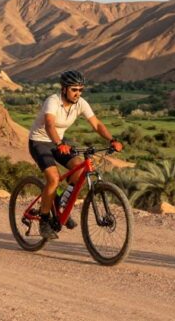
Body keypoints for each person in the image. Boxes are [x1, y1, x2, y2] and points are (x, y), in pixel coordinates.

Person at [27, 70, 122, 239]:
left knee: (80, 170)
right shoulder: (53, 101)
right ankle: (44, 221)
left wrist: (112, 139)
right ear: (64, 89)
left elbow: (96, 124)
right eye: (74, 89)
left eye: (80, 90)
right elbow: (49, 125)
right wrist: (59, 144)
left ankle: (61, 204)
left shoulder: (81, 103)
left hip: (58, 142)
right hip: (40, 142)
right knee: (53, 179)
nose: (78, 93)